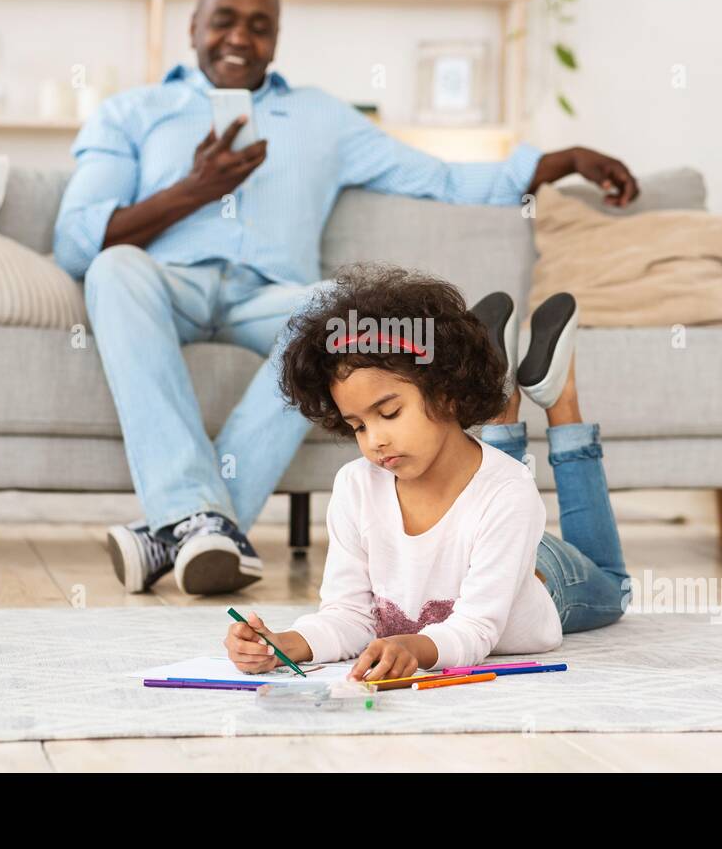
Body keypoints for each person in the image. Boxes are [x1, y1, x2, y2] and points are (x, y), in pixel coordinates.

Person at [53, 0, 639, 598]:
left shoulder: (322, 118)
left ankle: (184, 526)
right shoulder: (132, 112)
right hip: (164, 284)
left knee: (334, 306)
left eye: (260, 25)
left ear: (276, 37)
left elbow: (439, 177)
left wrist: (562, 161)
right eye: (224, 21)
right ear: (193, 26)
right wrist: (195, 190)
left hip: (269, 298)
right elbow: (78, 240)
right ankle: (203, 524)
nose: (240, 38)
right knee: (114, 269)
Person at [224, 264, 630, 680]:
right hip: (487, 524)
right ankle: (503, 398)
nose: (375, 440)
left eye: (389, 413)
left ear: (448, 394)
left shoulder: (509, 491)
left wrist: (412, 648)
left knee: (616, 588)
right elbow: (348, 615)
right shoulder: (355, 485)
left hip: (544, 575)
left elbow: (476, 629)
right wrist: (285, 643)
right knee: (471, 464)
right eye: (358, 426)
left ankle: (560, 401)